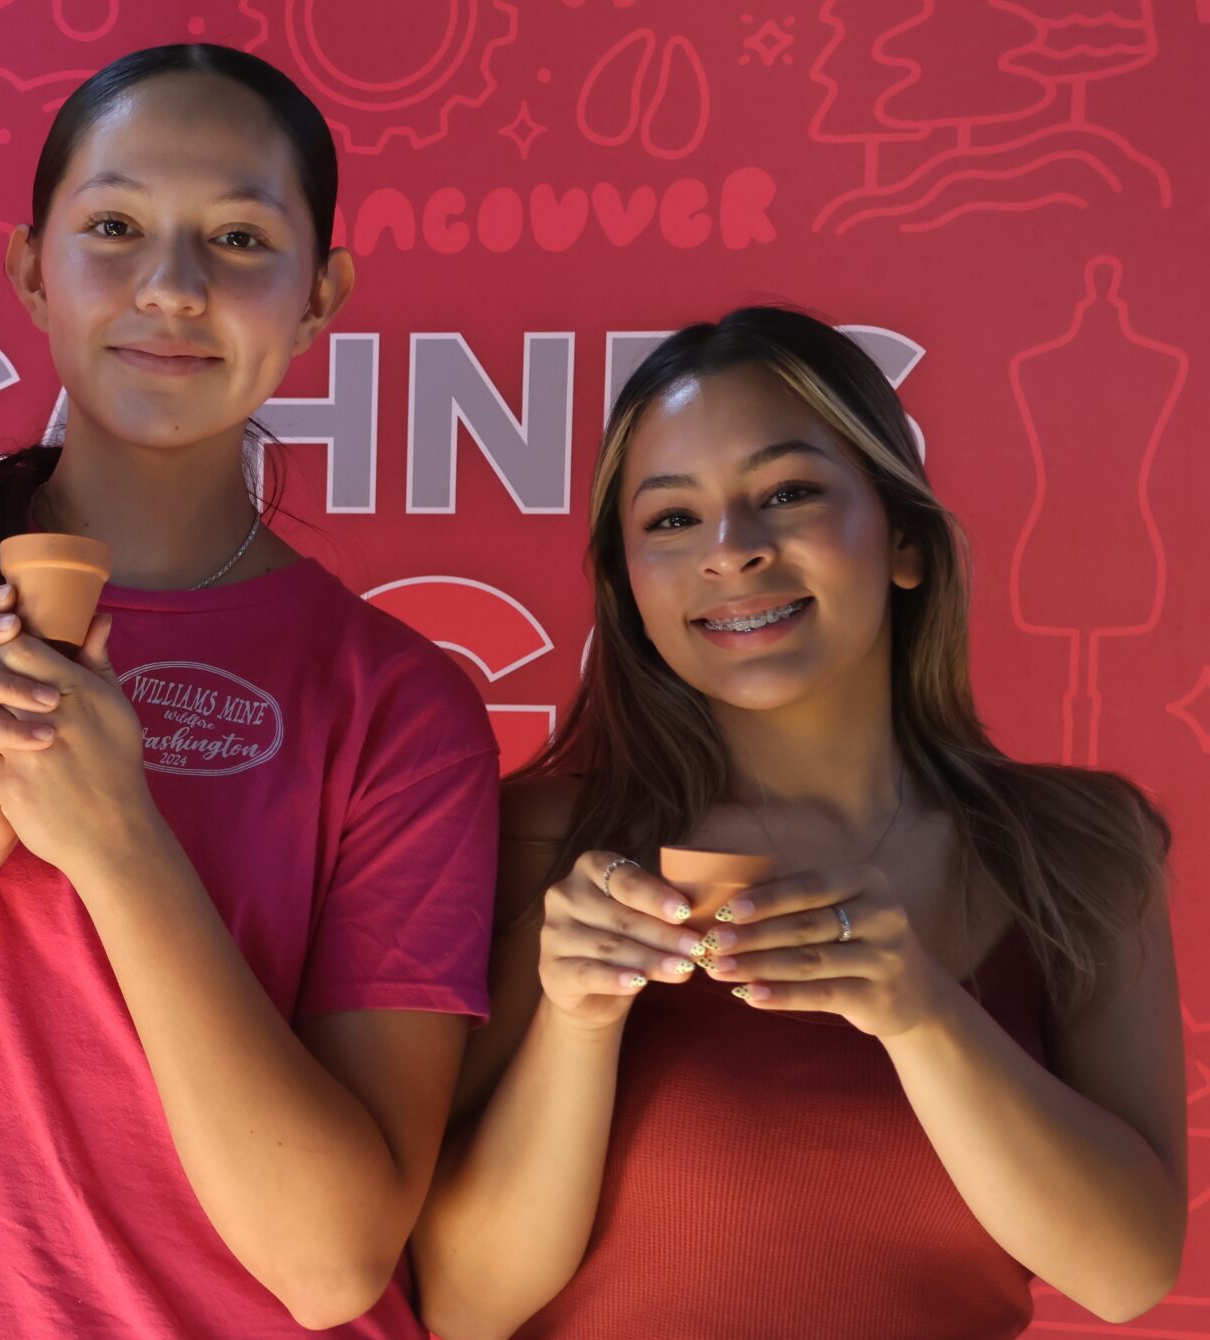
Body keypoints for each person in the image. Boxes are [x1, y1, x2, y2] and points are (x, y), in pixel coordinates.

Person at [0, 44, 499, 1337]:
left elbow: (333, 1264)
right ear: (30, 269)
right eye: (114, 227)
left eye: (239, 238)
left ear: (321, 295)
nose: (172, 288)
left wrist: (120, 845)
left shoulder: (398, 706)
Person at [413, 307, 1184, 1339]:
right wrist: (577, 1022)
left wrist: (920, 1014)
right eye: (672, 519)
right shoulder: (543, 842)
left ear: (903, 540)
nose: (730, 551)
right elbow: (461, 1307)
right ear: (628, 586)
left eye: (787, 493)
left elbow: (1128, 1268)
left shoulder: (1078, 845)